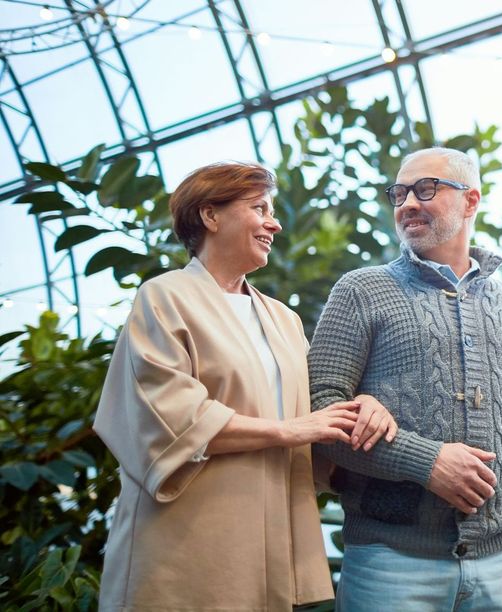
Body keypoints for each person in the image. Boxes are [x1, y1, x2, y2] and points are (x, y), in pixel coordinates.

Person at [93, 161, 397, 611]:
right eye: (259, 208)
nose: (274, 222)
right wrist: (290, 430)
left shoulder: (283, 319)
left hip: (273, 540)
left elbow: (319, 411)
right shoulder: (163, 297)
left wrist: (366, 405)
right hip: (186, 539)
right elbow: (171, 418)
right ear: (209, 216)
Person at [308, 147, 502, 611]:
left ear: (471, 201)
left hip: (501, 564)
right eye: (399, 193)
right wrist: (428, 462)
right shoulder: (362, 290)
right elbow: (319, 411)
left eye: (426, 189)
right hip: (388, 563)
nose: (408, 203)